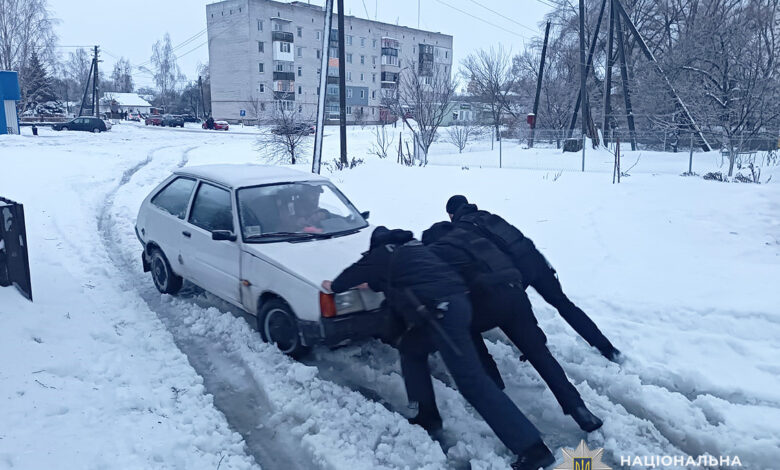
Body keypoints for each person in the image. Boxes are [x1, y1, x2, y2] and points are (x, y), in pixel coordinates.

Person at [322, 226, 556, 470]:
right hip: (454, 306)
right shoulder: (413, 249)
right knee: (412, 348)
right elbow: (394, 278)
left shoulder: (380, 254)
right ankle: (427, 416)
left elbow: (345, 280)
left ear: (376, 245)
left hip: (442, 315)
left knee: (472, 382)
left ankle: (533, 449)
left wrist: (332, 284)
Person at [422, 221, 603, 432]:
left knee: (466, 327)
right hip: (516, 293)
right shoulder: (476, 239)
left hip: (488, 300)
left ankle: (495, 388)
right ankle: (580, 410)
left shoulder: (438, 249)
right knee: (540, 354)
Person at [445, 195, 622, 362]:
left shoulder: (464, 227)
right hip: (534, 257)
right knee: (563, 304)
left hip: (516, 267)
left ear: (452, 214)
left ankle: (536, 345)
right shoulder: (489, 216)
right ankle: (607, 349)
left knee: (516, 306)